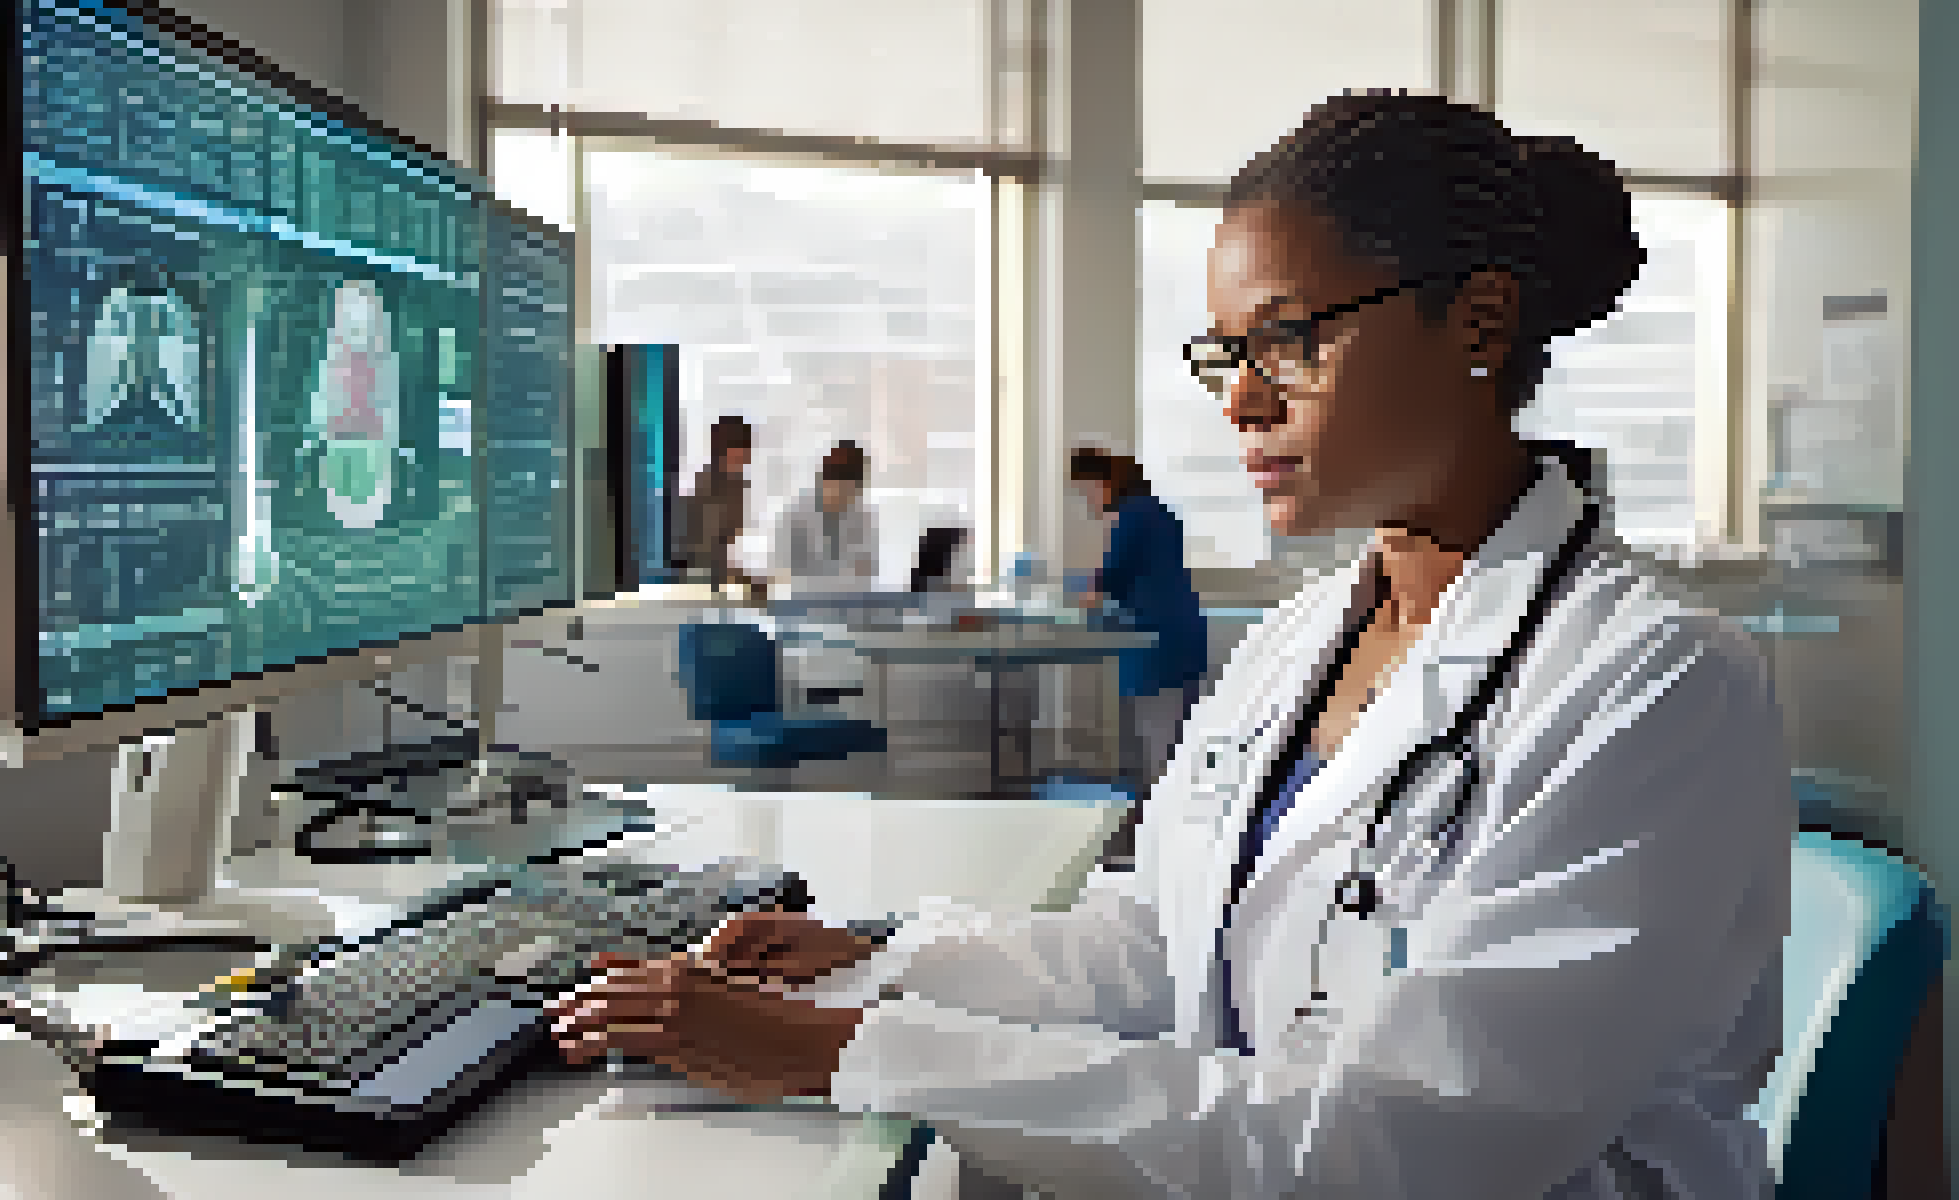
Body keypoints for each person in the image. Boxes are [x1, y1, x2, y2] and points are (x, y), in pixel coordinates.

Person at [546, 90, 1791, 1200]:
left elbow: (1388, 1145)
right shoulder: (1304, 638)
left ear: (1477, 322)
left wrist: (849, 1054)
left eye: (1290, 340)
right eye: (1226, 355)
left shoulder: (1657, 685)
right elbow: (1156, 944)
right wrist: (883, 960)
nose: (1241, 401)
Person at [1067, 448, 1209, 805]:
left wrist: (1084, 592)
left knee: (1161, 752)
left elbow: (1112, 576)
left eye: (1088, 491)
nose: (1088, 501)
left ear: (1105, 482)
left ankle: (1162, 834)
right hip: (1180, 636)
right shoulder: (1157, 511)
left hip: (1156, 643)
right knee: (1176, 744)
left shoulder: (1132, 516)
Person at [772, 441, 880, 591]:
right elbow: (786, 573)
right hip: (801, 605)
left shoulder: (862, 519)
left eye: (852, 489)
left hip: (850, 605)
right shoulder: (796, 517)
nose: (845, 495)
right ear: (824, 481)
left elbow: (865, 574)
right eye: (839, 486)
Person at [677, 415, 756, 590]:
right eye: (740, 449)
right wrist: (742, 580)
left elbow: (725, 546)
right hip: (693, 579)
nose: (746, 456)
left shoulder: (736, 486)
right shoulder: (706, 487)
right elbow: (705, 553)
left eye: (747, 449)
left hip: (713, 578)